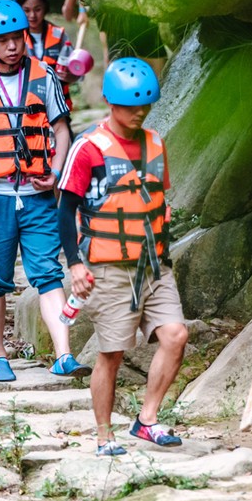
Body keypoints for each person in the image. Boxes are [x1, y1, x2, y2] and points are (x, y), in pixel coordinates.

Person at [0, 0, 90, 382]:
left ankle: (64, 354)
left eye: (17, 37)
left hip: (38, 195)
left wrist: (56, 172)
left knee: (47, 273)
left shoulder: (44, 76)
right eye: (3, 40)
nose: (12, 46)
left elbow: (60, 129)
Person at [59, 58, 187, 455]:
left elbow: (159, 197)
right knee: (111, 354)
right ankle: (103, 435)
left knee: (176, 336)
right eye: (132, 106)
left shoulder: (155, 143)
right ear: (111, 103)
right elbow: (64, 210)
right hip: (107, 267)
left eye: (145, 106)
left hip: (153, 264)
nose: (139, 113)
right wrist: (75, 265)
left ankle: (146, 420)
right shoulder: (88, 149)